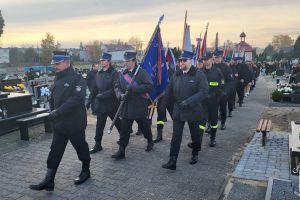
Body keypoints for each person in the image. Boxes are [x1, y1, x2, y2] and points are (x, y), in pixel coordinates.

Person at [29, 51, 91, 191]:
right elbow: (54, 98)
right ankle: (49, 180)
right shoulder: (58, 78)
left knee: (81, 148)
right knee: (55, 152)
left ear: (67, 62)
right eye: (54, 64)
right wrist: (51, 109)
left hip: (75, 123)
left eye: (58, 64)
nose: (55, 66)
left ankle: (86, 171)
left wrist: (57, 112)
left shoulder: (77, 79)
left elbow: (76, 99)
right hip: (60, 124)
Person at [161, 50, 208, 170]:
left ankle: (195, 153)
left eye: (184, 60)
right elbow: (169, 91)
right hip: (178, 110)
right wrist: (162, 106)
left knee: (195, 135)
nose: (181, 62)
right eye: (180, 60)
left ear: (191, 61)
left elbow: (203, 92)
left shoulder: (199, 75)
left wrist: (188, 102)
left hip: (193, 110)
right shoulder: (176, 74)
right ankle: (172, 160)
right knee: (176, 135)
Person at [112, 51, 154, 159]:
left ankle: (150, 140)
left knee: (144, 127)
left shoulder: (142, 72)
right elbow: (117, 87)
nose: (126, 63)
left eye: (128, 61)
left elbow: (149, 86)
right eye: (125, 61)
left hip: (138, 105)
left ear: (134, 61)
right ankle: (121, 151)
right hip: (127, 106)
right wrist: (120, 95)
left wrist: (134, 88)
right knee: (125, 129)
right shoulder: (123, 73)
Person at [87, 53, 122, 154]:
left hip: (111, 103)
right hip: (101, 105)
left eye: (104, 60)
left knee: (117, 123)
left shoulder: (114, 73)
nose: (102, 62)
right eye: (101, 60)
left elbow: (115, 88)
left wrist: (103, 95)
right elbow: (94, 89)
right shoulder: (99, 73)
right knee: (99, 125)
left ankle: (124, 138)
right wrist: (89, 101)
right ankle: (97, 145)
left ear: (109, 61)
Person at [202, 53, 224, 147]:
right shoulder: (200, 72)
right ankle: (198, 139)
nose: (205, 61)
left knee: (214, 121)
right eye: (204, 59)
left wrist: (209, 84)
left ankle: (213, 139)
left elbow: (221, 84)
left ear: (211, 60)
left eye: (207, 59)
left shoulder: (217, 71)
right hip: (202, 100)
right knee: (201, 121)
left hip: (214, 99)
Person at [154, 62, 175, 143]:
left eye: (165, 63)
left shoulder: (172, 71)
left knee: (175, 117)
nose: (163, 64)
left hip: (171, 99)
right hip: (161, 98)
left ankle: (176, 134)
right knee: (160, 118)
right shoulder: (158, 72)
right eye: (162, 63)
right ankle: (159, 135)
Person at [213, 51, 234, 130]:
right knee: (213, 110)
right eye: (214, 58)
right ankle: (211, 125)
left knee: (223, 109)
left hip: (222, 93)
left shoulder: (226, 68)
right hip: (213, 93)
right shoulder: (211, 67)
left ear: (221, 58)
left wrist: (226, 92)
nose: (216, 59)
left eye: (218, 58)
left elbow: (230, 81)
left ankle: (223, 123)